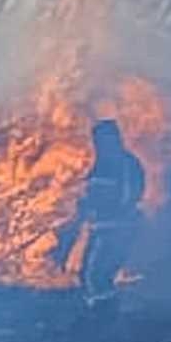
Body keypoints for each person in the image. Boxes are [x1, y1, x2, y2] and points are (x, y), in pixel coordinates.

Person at [54, 118, 146, 307]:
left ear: (113, 139)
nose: (99, 144)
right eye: (97, 140)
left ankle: (104, 318)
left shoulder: (122, 163)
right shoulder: (104, 163)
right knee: (89, 273)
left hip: (118, 229)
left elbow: (125, 197)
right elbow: (93, 193)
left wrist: (97, 205)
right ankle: (98, 316)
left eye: (103, 139)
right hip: (103, 229)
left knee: (97, 276)